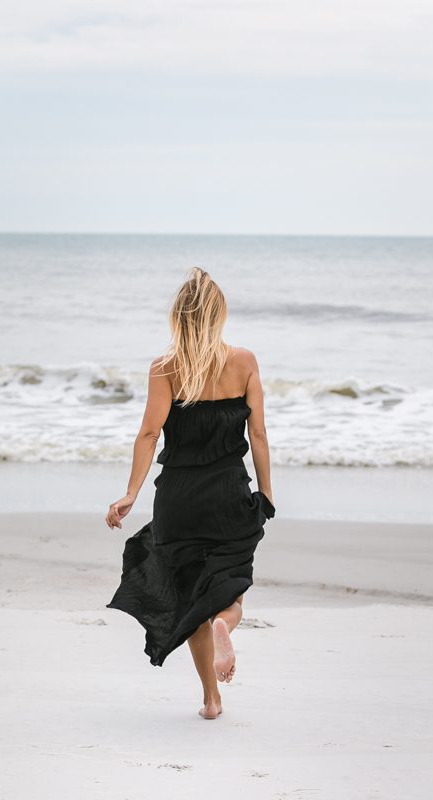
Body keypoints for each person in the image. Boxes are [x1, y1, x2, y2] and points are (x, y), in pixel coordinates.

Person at [105, 266, 276, 720]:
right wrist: (267, 493)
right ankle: (226, 624)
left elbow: (148, 434)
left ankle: (211, 700)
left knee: (190, 598)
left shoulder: (165, 368)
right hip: (227, 496)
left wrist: (130, 493)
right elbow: (258, 434)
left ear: (178, 318)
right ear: (219, 315)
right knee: (228, 593)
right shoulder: (244, 362)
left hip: (178, 500)